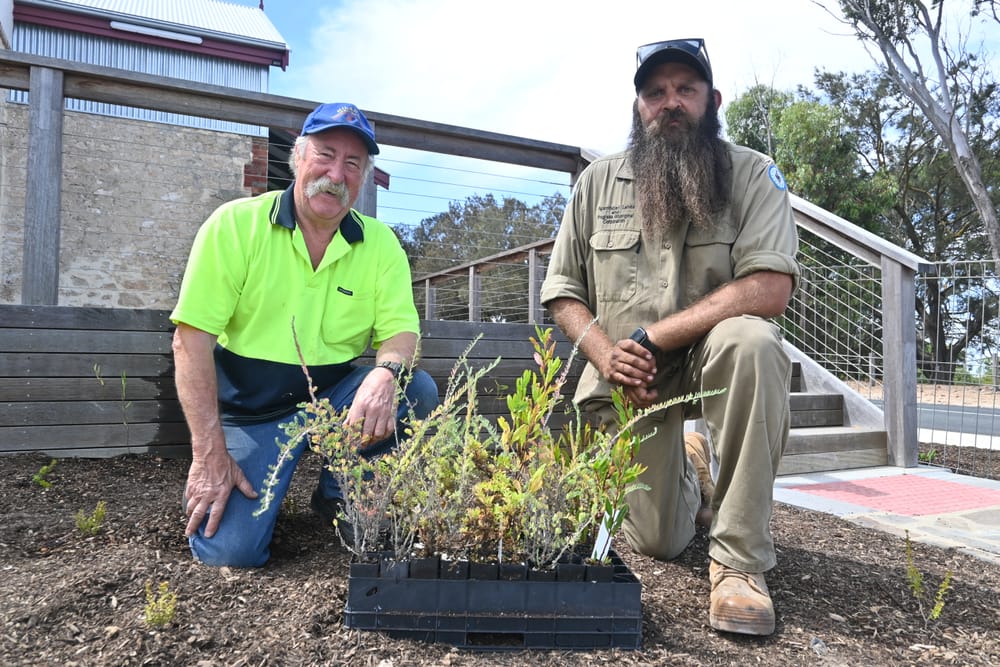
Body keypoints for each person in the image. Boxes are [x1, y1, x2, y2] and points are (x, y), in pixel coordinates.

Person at [540, 39, 799, 636]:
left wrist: (656, 336)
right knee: (658, 540)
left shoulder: (752, 173)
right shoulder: (597, 182)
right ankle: (692, 461)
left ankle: (739, 563)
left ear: (713, 101)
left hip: (712, 355)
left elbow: (768, 287)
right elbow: (562, 292)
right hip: (632, 376)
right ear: (639, 108)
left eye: (686, 89)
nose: (670, 102)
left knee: (754, 342)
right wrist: (606, 354)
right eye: (655, 92)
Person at [170, 102, 439, 568]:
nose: (336, 174)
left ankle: (340, 493)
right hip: (249, 412)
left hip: (331, 402)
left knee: (414, 388)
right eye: (325, 154)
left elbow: (400, 331)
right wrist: (208, 452)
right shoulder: (234, 226)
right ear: (298, 157)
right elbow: (190, 341)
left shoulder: (380, 244)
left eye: (352, 163)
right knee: (231, 551)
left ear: (363, 177)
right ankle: (236, 482)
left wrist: (385, 374)